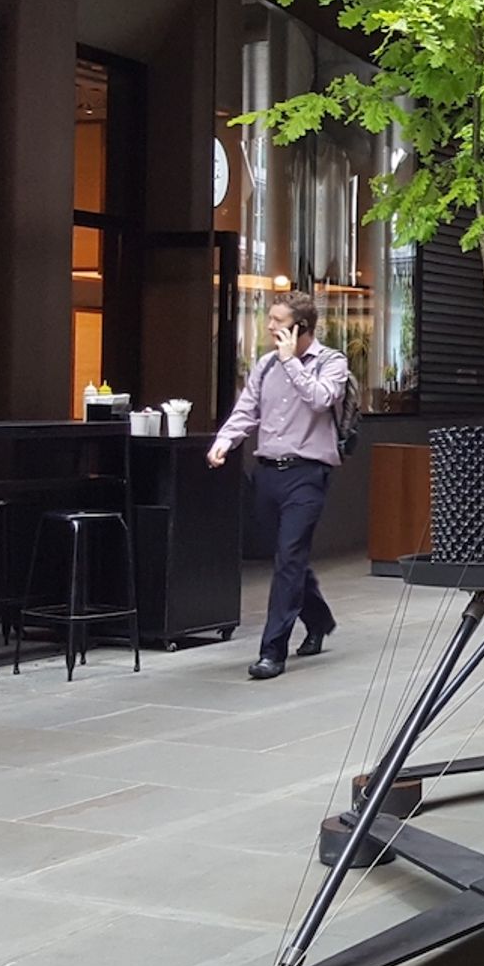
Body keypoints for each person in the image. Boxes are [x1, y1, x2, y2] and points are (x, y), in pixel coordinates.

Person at [209, 291, 348, 680]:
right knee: (286, 558)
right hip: (267, 472)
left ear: (299, 328)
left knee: (289, 558)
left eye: (277, 320)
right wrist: (225, 440)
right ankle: (318, 619)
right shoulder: (266, 365)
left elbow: (322, 400)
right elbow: (246, 408)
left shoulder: (330, 362)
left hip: (308, 474)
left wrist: (292, 364)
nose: (269, 326)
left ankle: (273, 651)